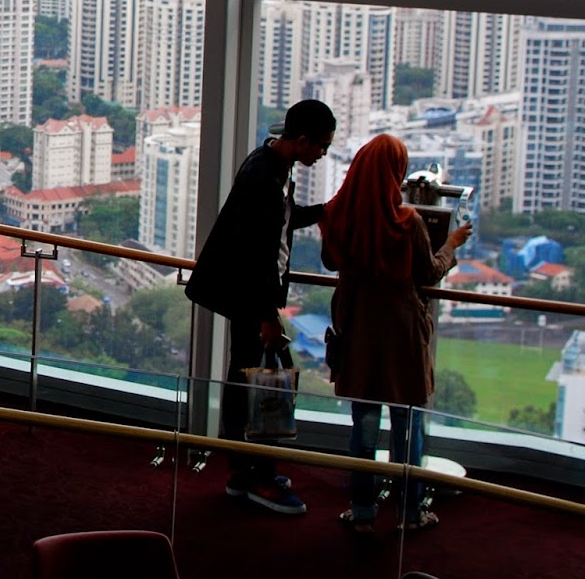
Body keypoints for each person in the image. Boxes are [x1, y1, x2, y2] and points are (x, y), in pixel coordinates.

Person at [186, 98, 335, 515]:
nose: (322, 154)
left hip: (248, 295)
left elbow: (281, 222)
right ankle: (257, 475)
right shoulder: (264, 178)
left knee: (246, 378)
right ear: (301, 140)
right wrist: (268, 316)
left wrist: (322, 212)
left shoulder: (270, 163)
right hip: (253, 298)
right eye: (321, 146)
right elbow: (258, 254)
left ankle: (244, 471)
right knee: (263, 384)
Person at [320, 133, 469, 534]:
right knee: (406, 422)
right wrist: (451, 244)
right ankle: (409, 511)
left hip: (356, 324)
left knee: (364, 423)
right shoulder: (407, 222)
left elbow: (330, 260)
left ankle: (362, 510)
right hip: (401, 330)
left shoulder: (337, 215)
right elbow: (428, 273)